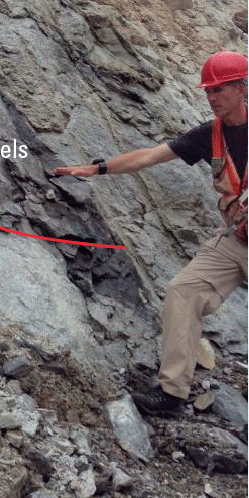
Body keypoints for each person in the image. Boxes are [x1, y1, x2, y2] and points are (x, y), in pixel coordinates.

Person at [54, 50, 248, 416]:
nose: (211, 98)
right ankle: (172, 394)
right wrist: (97, 169)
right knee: (182, 292)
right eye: (207, 91)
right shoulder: (210, 135)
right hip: (237, 239)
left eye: (218, 90)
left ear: (241, 87)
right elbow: (149, 156)